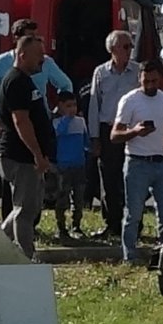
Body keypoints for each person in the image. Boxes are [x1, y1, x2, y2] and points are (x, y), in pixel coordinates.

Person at [0, 19, 71, 216]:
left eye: (37, 37)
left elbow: (66, 85)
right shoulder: (2, 64)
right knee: (12, 187)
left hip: (39, 128)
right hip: (13, 130)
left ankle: (28, 225)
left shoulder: (46, 62)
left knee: (36, 183)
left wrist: (56, 112)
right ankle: (10, 229)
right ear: (17, 40)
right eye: (30, 37)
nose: (35, 41)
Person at [111, 60, 163, 264]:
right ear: (139, 78)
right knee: (134, 212)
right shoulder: (129, 100)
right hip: (137, 162)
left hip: (160, 163)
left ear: (160, 79)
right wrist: (134, 131)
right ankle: (129, 255)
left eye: (154, 81)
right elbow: (114, 135)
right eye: (146, 80)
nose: (150, 85)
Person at [0, 35, 56, 257]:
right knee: (25, 210)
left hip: (27, 157)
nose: (43, 59)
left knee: (26, 207)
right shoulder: (16, 81)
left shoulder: (25, 80)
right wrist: (37, 154)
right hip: (19, 157)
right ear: (23, 56)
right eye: (39, 55)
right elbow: (21, 121)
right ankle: (25, 257)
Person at [87, 29, 139, 238]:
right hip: (108, 130)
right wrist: (94, 138)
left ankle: (134, 224)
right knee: (108, 179)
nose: (130, 50)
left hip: (132, 130)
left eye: (131, 46)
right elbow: (94, 104)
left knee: (131, 179)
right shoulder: (101, 72)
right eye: (126, 46)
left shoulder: (137, 72)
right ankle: (112, 224)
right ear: (113, 49)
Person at [48, 90, 91, 241]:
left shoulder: (81, 122)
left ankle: (76, 225)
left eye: (74, 105)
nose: (72, 109)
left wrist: (88, 150)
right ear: (60, 107)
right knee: (62, 197)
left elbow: (86, 141)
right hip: (63, 167)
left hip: (79, 165)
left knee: (79, 198)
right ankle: (61, 227)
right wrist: (66, 118)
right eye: (68, 106)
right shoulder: (56, 123)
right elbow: (59, 132)